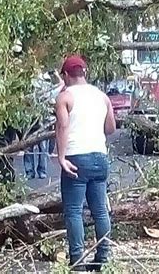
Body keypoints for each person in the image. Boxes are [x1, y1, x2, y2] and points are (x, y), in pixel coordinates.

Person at [55, 55, 116, 271]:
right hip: (99, 157)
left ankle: (77, 260)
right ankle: (103, 257)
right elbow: (110, 129)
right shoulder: (102, 97)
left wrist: (61, 157)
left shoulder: (65, 97)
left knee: (73, 211)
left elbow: (62, 127)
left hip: (76, 157)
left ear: (65, 75)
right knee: (100, 211)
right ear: (85, 73)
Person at [24, 71, 64, 179]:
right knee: (30, 147)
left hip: (41, 123)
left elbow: (61, 85)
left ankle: (36, 171)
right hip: (31, 122)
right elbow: (62, 84)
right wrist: (55, 74)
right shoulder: (30, 92)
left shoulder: (48, 92)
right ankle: (32, 172)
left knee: (41, 147)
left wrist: (55, 75)